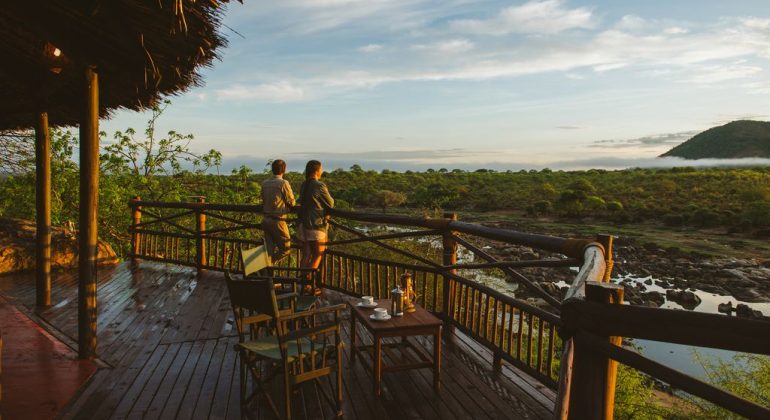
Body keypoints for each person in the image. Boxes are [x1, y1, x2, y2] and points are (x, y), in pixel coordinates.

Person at [297, 160, 334, 271]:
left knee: (307, 255)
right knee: (318, 254)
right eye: (321, 168)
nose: (322, 171)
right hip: (315, 224)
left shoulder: (304, 184)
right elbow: (330, 203)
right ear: (317, 170)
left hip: (303, 223)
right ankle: (309, 282)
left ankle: (302, 283)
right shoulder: (319, 185)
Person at [261, 159, 295, 262]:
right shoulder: (283, 183)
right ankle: (266, 265)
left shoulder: (265, 183)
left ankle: (265, 273)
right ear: (284, 170)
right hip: (278, 221)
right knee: (286, 249)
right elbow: (291, 202)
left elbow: (263, 199)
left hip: (266, 220)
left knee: (268, 250)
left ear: (272, 170)